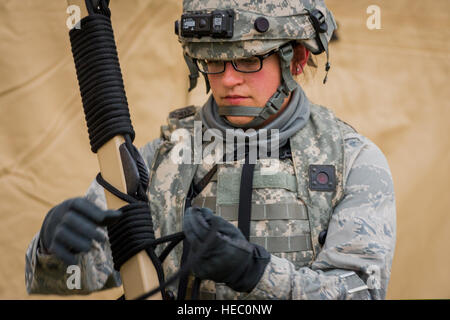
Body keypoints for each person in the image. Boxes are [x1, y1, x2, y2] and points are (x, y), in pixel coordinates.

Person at [25, 0, 396, 300]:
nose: (227, 79)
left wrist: (256, 273)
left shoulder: (350, 160)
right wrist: (54, 249)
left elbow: (362, 292)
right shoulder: (158, 161)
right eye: (213, 61)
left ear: (296, 58)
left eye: (248, 60)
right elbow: (65, 280)